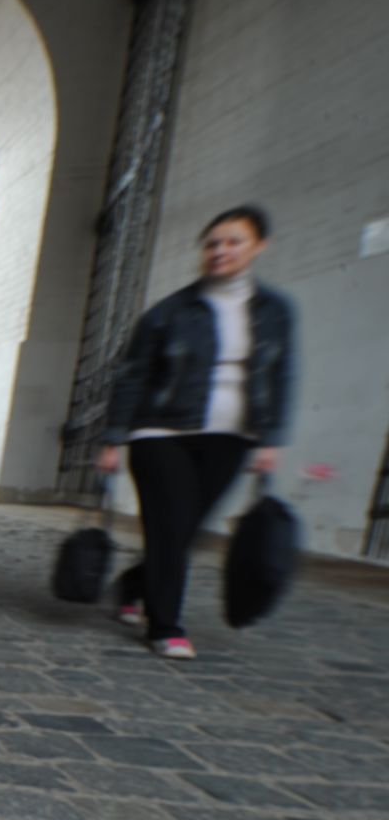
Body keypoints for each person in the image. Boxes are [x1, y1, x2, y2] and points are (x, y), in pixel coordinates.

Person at [99, 204, 293, 660]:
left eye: (233, 241)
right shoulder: (169, 313)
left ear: (258, 247)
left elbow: (280, 373)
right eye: (212, 243)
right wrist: (114, 437)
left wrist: (270, 436)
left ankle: (132, 584)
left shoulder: (275, 312)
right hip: (160, 433)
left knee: (186, 531)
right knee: (169, 527)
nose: (220, 251)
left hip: (229, 436)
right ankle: (165, 624)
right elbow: (132, 375)